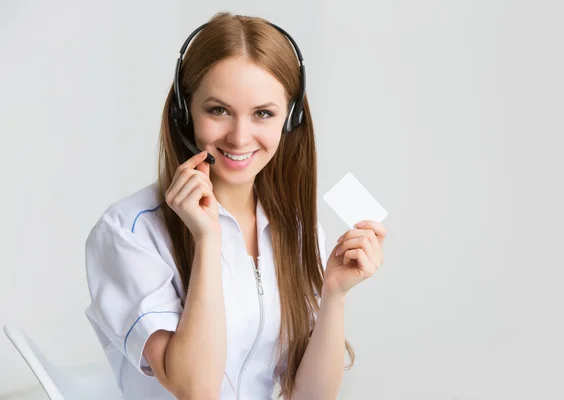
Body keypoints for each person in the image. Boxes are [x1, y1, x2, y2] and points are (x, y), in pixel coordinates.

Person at [84, 11, 387, 400]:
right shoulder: (127, 231)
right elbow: (195, 389)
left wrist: (334, 295)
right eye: (218, 110)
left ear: (290, 120)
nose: (240, 137)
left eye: (263, 113)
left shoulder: (294, 226)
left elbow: (309, 396)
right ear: (183, 111)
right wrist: (207, 240)